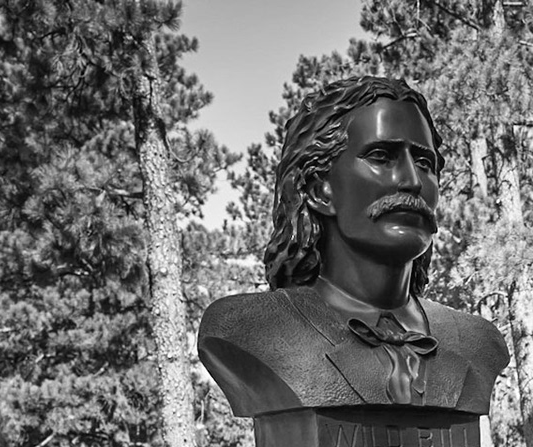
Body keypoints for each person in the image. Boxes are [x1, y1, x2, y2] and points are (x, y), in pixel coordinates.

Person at [198, 76, 509, 425]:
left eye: (425, 163)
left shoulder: (477, 341)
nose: (412, 181)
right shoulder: (247, 329)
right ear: (319, 190)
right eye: (381, 156)